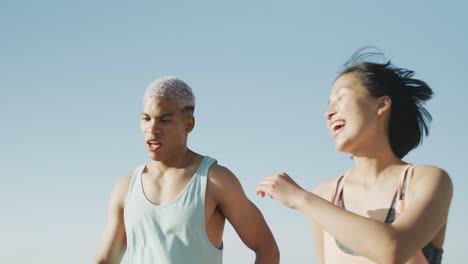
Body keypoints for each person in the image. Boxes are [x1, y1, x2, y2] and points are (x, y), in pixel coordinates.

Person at [256, 49, 453, 264]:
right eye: (328, 104)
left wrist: (300, 198)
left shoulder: (426, 179)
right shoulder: (325, 194)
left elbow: (393, 249)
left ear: (382, 104)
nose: (328, 113)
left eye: (340, 98)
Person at [95, 76, 279, 264]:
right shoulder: (125, 188)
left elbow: (267, 250)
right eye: (146, 119)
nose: (152, 128)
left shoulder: (217, 181)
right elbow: (105, 260)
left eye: (164, 120)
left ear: (188, 124)